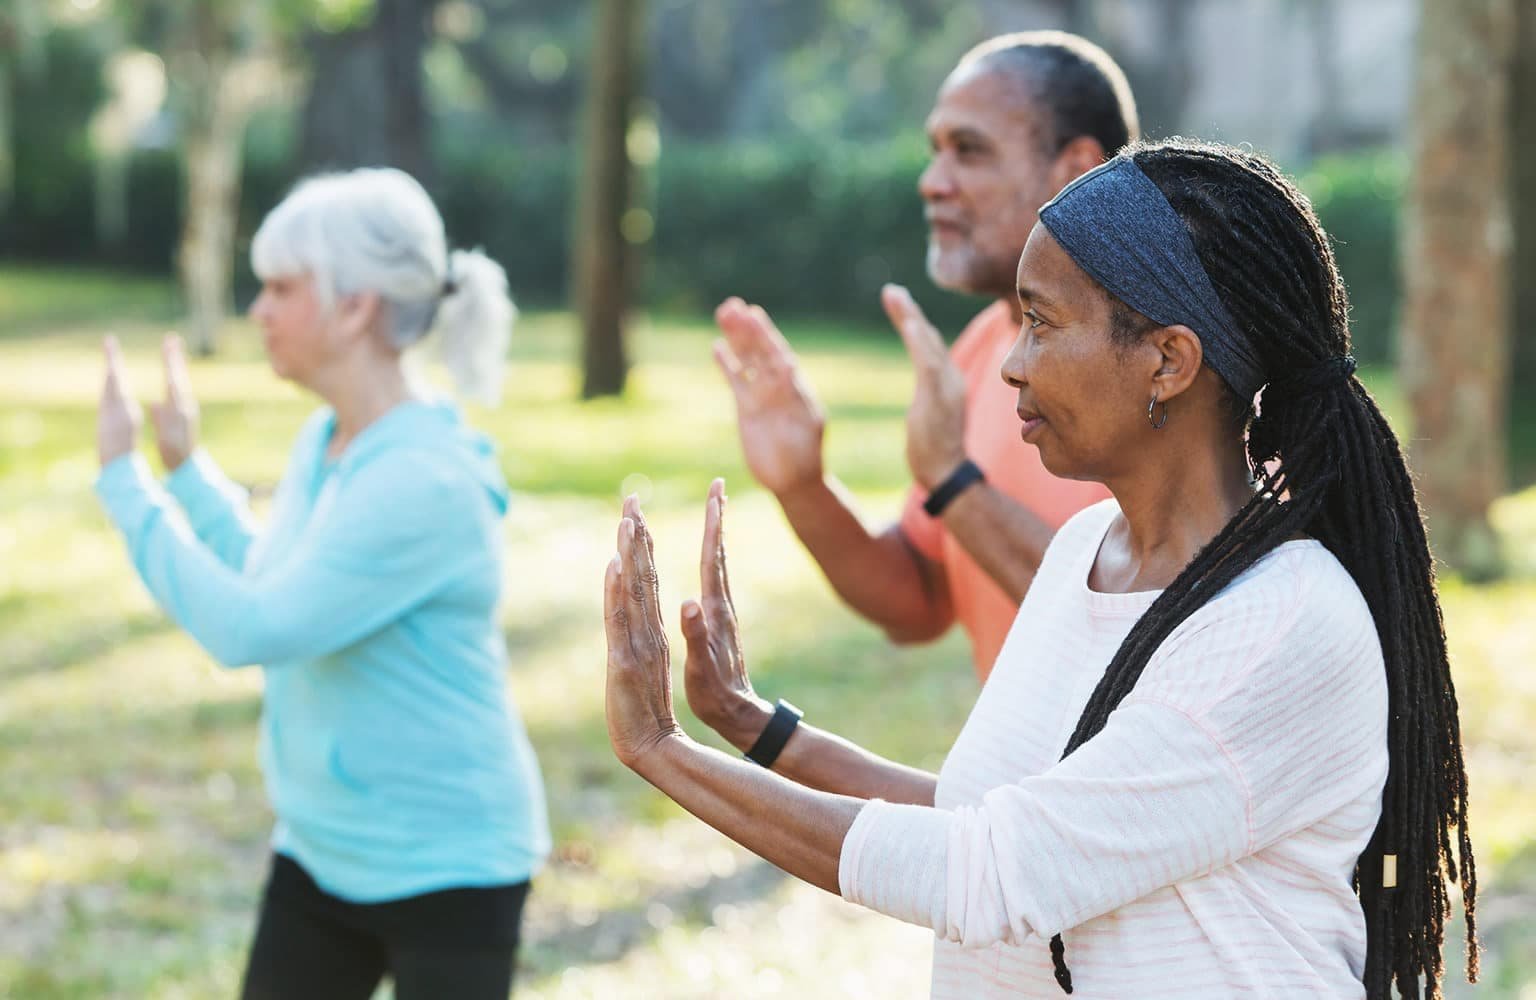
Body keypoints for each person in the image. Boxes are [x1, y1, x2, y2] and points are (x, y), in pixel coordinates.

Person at [603, 139, 1479, 998]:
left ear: (1168, 361)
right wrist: (759, 729)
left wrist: (660, 750)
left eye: (1042, 322)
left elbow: (989, 874)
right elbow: (981, 816)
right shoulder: (1082, 553)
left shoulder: (1280, 621)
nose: (1013, 364)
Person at [94, 168, 550, 1000]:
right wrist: (188, 476)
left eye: (280, 288)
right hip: (324, 848)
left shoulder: (424, 479)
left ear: (355, 307)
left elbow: (253, 629)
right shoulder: (330, 439)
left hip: (450, 863)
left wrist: (127, 486)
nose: (258, 310)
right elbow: (279, 581)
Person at [713, 32, 1137, 678]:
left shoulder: (1164, 362)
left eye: (968, 151)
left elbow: (1144, 629)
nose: (932, 182)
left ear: (1075, 170)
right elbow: (918, 601)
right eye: (935, 151)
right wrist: (804, 487)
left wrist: (953, 480)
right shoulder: (985, 346)